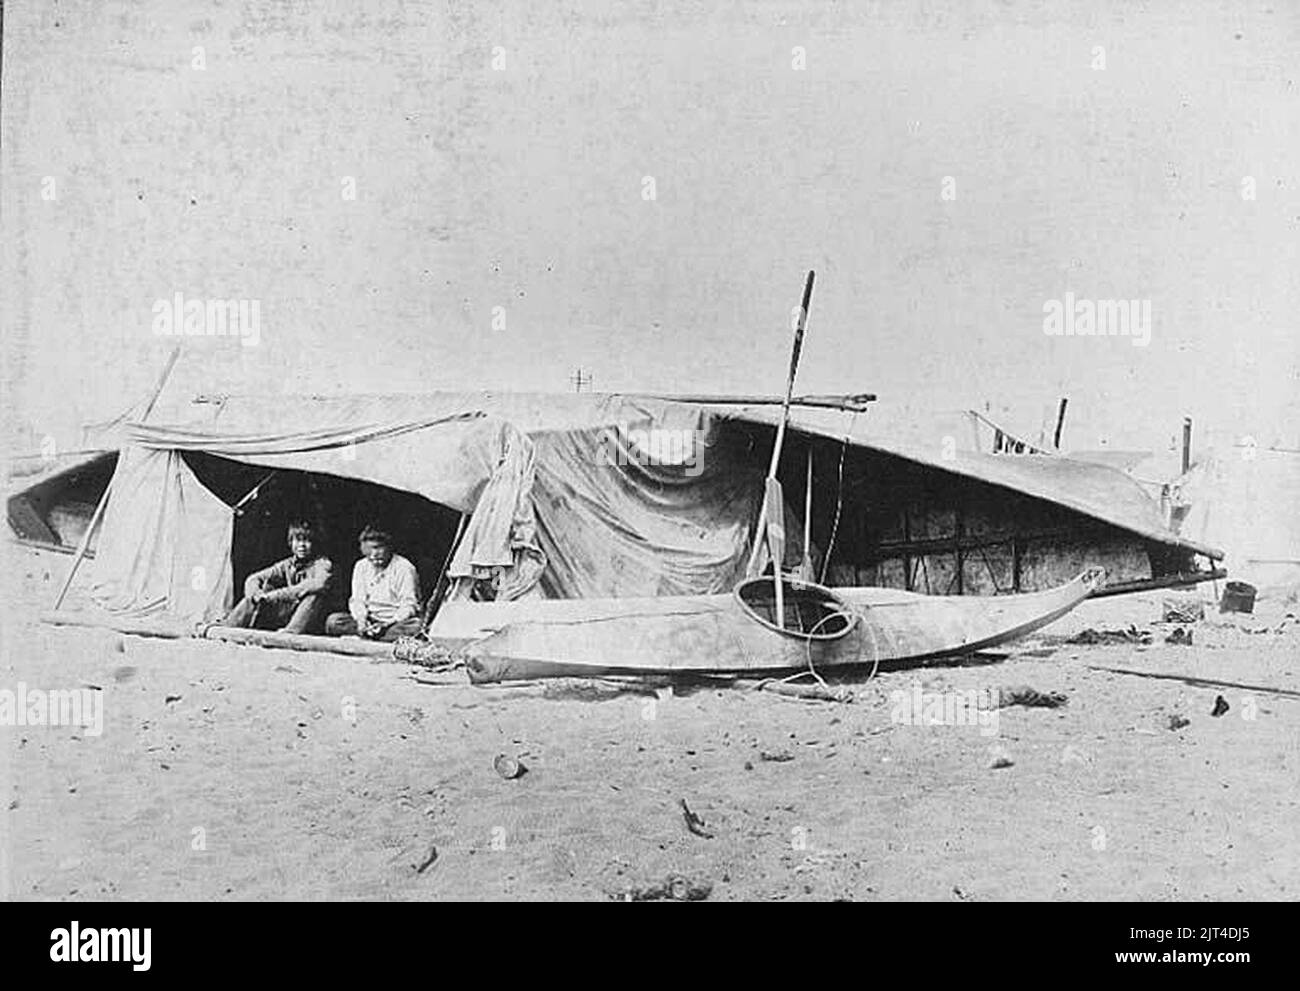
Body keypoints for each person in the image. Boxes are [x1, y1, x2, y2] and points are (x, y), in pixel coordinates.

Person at [223, 520, 334, 634]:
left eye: (307, 540)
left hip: (315, 618)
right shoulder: (287, 564)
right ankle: (228, 626)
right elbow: (254, 578)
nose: (301, 545)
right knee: (264, 588)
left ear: (314, 543)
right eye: (297, 540)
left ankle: (291, 632)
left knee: (314, 595)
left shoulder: (323, 564)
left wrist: (275, 595)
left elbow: (318, 584)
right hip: (292, 614)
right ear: (291, 542)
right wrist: (256, 594)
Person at [325, 525, 423, 640]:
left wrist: (388, 624)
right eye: (368, 549)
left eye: (378, 548)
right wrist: (361, 620)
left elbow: (409, 604)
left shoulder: (404, 567)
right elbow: (357, 599)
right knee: (333, 622)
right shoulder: (361, 566)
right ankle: (374, 635)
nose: (374, 554)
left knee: (416, 627)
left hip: (394, 622)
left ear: (389, 547)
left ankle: (371, 636)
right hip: (369, 620)